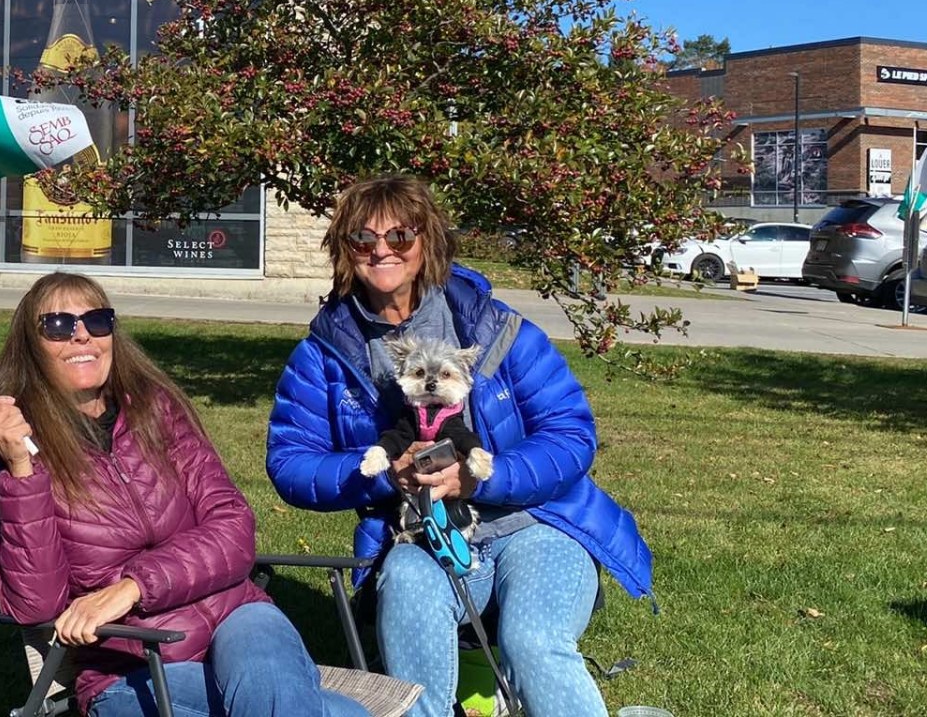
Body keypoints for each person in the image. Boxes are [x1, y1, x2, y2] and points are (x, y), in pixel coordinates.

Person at [266, 176, 652, 717]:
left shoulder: (496, 329)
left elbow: (571, 435)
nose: (382, 250)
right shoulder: (324, 354)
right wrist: (382, 474)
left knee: (533, 642)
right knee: (408, 622)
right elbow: (290, 462)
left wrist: (484, 477)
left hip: (537, 524)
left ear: (427, 242)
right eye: (363, 238)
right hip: (421, 537)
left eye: (400, 236)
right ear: (345, 249)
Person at [0, 272, 368, 717]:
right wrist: (22, 472)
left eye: (97, 320)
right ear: (32, 344)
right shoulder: (17, 453)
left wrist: (133, 587)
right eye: (59, 325)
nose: (82, 335)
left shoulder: (155, 409)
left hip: (236, 615)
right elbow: (35, 605)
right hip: (133, 663)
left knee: (274, 686)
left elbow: (234, 529)